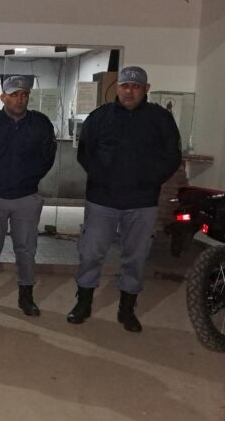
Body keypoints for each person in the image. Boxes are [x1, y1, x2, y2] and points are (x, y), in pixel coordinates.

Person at [67, 66, 181, 332]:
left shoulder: (160, 119)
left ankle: (127, 310)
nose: (129, 91)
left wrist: (149, 181)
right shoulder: (99, 117)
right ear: (117, 87)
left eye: (136, 86)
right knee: (91, 253)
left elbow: (172, 156)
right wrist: (103, 178)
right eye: (124, 86)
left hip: (142, 202)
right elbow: (85, 152)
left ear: (146, 88)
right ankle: (83, 303)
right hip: (102, 200)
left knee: (136, 257)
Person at [0, 75, 56, 316]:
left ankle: (26, 296)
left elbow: (48, 156)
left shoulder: (40, 123)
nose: (20, 99)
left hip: (25, 197)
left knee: (26, 249)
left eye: (24, 94)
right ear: (3, 97)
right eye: (14, 95)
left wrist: (30, 178)